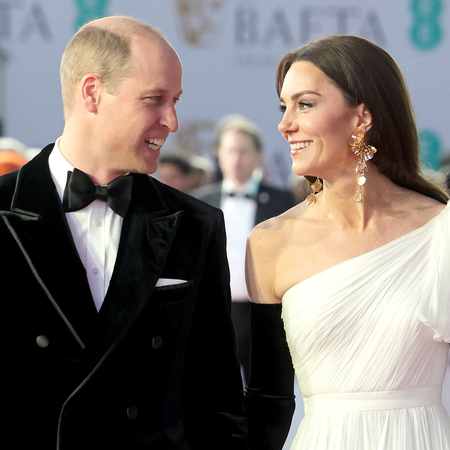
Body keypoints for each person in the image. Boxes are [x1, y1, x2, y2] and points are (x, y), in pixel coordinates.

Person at [0, 16, 247, 450]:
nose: (172, 121)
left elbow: (216, 399)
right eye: (154, 100)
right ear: (92, 93)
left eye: (176, 100)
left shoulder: (195, 225)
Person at [245, 35, 450, 450]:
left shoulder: (441, 230)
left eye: (304, 104)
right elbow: (269, 399)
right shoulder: (269, 243)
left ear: (362, 117)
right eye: (283, 106)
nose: (285, 124)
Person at [192, 114, 297, 384]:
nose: (236, 160)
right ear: (219, 155)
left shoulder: (283, 201)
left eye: (243, 152)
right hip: (216, 311)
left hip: (264, 312)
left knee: (264, 387)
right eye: (229, 152)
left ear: (259, 157)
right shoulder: (202, 202)